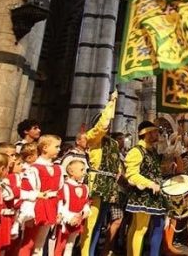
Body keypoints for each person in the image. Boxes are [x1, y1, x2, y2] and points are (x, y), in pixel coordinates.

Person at [79, 92, 117, 256]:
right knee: (90, 222)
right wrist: (111, 104)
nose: (108, 127)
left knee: (100, 221)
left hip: (108, 184)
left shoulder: (113, 142)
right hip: (96, 182)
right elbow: (101, 126)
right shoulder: (92, 138)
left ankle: (93, 251)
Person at [125, 120, 170, 256]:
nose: (157, 134)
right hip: (142, 195)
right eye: (155, 132)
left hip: (151, 194)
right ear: (146, 133)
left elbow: (152, 170)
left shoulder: (151, 150)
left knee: (136, 227)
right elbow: (131, 174)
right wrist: (150, 184)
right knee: (141, 229)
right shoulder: (136, 151)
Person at [19, 134, 64, 256]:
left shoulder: (58, 169)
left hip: (51, 207)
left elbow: (60, 191)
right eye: (56, 146)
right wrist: (28, 213)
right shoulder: (33, 168)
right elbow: (27, 189)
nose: (59, 149)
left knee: (40, 244)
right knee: (28, 243)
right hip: (37, 207)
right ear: (45, 148)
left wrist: (59, 211)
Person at [0, 142, 22, 254]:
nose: (14, 158)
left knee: (5, 248)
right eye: (12, 155)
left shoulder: (10, 175)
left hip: (8, 217)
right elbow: (9, 195)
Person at [55, 159, 90, 256]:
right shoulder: (65, 186)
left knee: (71, 244)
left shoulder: (84, 188)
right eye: (81, 170)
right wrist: (67, 217)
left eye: (85, 170)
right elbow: (60, 203)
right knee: (61, 244)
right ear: (71, 172)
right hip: (66, 220)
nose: (84, 173)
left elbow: (86, 202)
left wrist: (85, 210)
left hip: (77, 220)